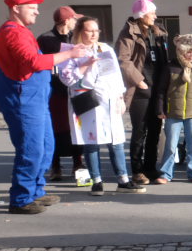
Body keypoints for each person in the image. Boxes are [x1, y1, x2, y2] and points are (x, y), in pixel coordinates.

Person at [0, 0, 89, 214]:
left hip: (36, 98)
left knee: (46, 147)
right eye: (32, 7)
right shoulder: (13, 33)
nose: (37, 12)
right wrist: (70, 54)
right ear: (15, 9)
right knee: (31, 149)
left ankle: (36, 191)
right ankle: (21, 198)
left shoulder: (22, 31)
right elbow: (34, 62)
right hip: (24, 99)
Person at [58, 16, 144, 196]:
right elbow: (67, 79)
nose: (94, 34)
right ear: (80, 31)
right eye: (89, 30)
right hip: (87, 100)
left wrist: (120, 97)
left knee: (116, 140)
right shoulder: (72, 51)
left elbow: (115, 75)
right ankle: (96, 181)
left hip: (109, 99)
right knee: (91, 141)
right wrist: (85, 65)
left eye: (96, 30)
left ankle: (123, 180)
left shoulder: (105, 49)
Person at [116, 0, 169, 184]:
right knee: (140, 131)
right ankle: (137, 171)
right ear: (142, 15)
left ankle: (150, 168)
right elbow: (123, 60)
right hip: (140, 90)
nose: (155, 16)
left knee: (155, 130)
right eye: (152, 13)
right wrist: (139, 81)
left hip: (158, 88)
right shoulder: (128, 33)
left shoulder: (158, 32)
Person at [155, 34, 192, 184]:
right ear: (181, 51)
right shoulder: (171, 67)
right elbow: (161, 90)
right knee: (170, 145)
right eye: (189, 51)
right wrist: (161, 110)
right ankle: (165, 174)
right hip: (172, 113)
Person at [38, 5, 82, 181]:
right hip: (55, 90)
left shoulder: (76, 37)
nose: (76, 21)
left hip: (75, 88)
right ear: (67, 20)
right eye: (74, 18)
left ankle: (78, 164)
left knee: (76, 127)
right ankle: (55, 165)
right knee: (55, 128)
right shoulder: (45, 39)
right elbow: (42, 63)